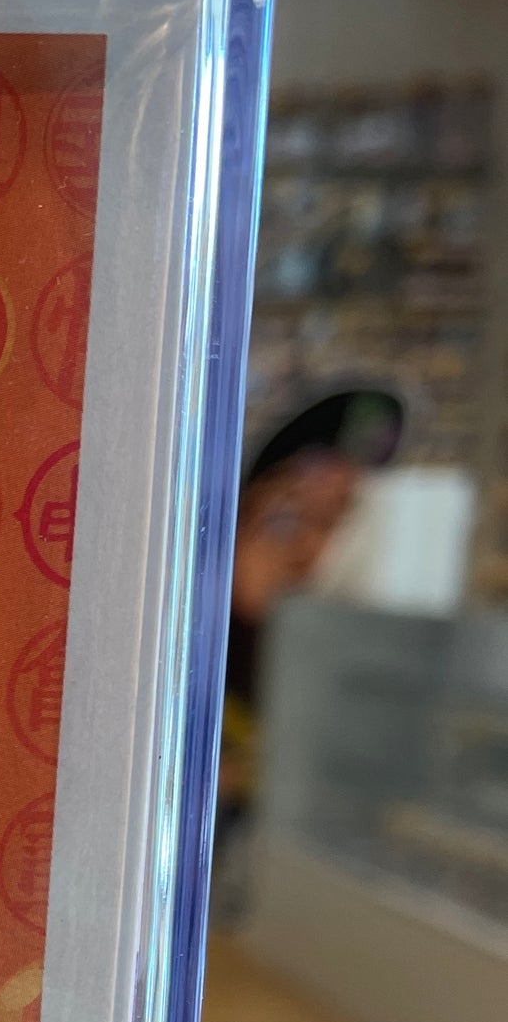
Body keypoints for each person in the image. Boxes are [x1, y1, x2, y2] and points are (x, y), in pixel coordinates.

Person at [217, 387, 404, 905]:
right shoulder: (173, 643)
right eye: (291, 514)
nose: (304, 546)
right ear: (245, 505)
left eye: (329, 521)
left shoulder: (301, 658)